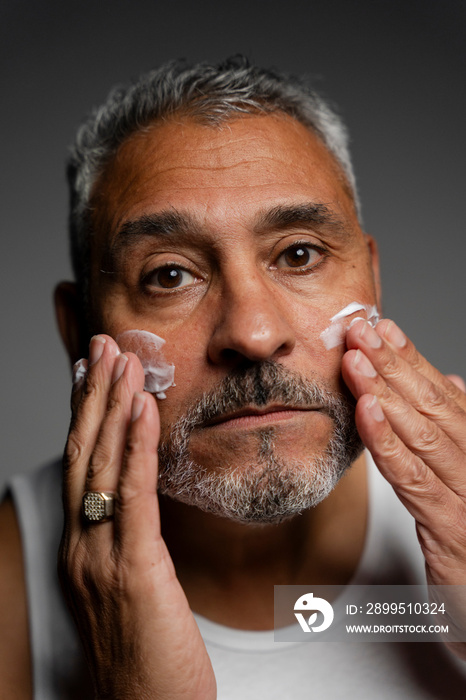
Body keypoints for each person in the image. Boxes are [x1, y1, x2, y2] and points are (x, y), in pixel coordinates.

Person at [1, 56, 466, 699]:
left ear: (372, 280)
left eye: (298, 254)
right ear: (76, 329)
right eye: (168, 275)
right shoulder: (10, 578)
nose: (251, 333)